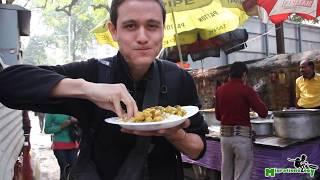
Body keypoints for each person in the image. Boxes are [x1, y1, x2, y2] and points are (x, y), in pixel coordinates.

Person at [0, 0, 208, 179]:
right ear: (114, 30)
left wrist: (175, 134)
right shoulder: (93, 73)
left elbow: (199, 149)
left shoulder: (179, 78)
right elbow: (7, 84)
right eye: (130, 26)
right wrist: (86, 89)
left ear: (163, 29)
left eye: (152, 26)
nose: (143, 37)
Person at [215, 61, 268, 180]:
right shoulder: (246, 90)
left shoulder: (220, 91)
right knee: (242, 173)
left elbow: (218, 116)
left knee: (226, 170)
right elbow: (263, 113)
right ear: (244, 74)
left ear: (230, 74)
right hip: (241, 138)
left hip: (225, 137)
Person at [44, 113, 79, 179]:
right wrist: (61, 126)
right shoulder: (51, 112)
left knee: (74, 169)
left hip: (73, 144)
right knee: (64, 168)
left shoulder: (72, 109)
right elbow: (46, 130)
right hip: (59, 146)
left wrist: (77, 121)